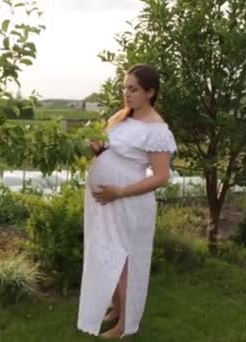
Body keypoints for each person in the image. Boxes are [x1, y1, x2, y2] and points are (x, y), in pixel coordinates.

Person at [77, 64, 177, 339]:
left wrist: (119, 192)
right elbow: (110, 152)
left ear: (150, 92)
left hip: (128, 203)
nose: (126, 94)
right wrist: (97, 149)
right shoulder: (121, 117)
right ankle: (117, 307)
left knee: (126, 261)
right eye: (125, 88)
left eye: (133, 89)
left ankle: (125, 325)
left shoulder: (156, 130)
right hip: (105, 202)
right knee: (107, 252)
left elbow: (160, 177)